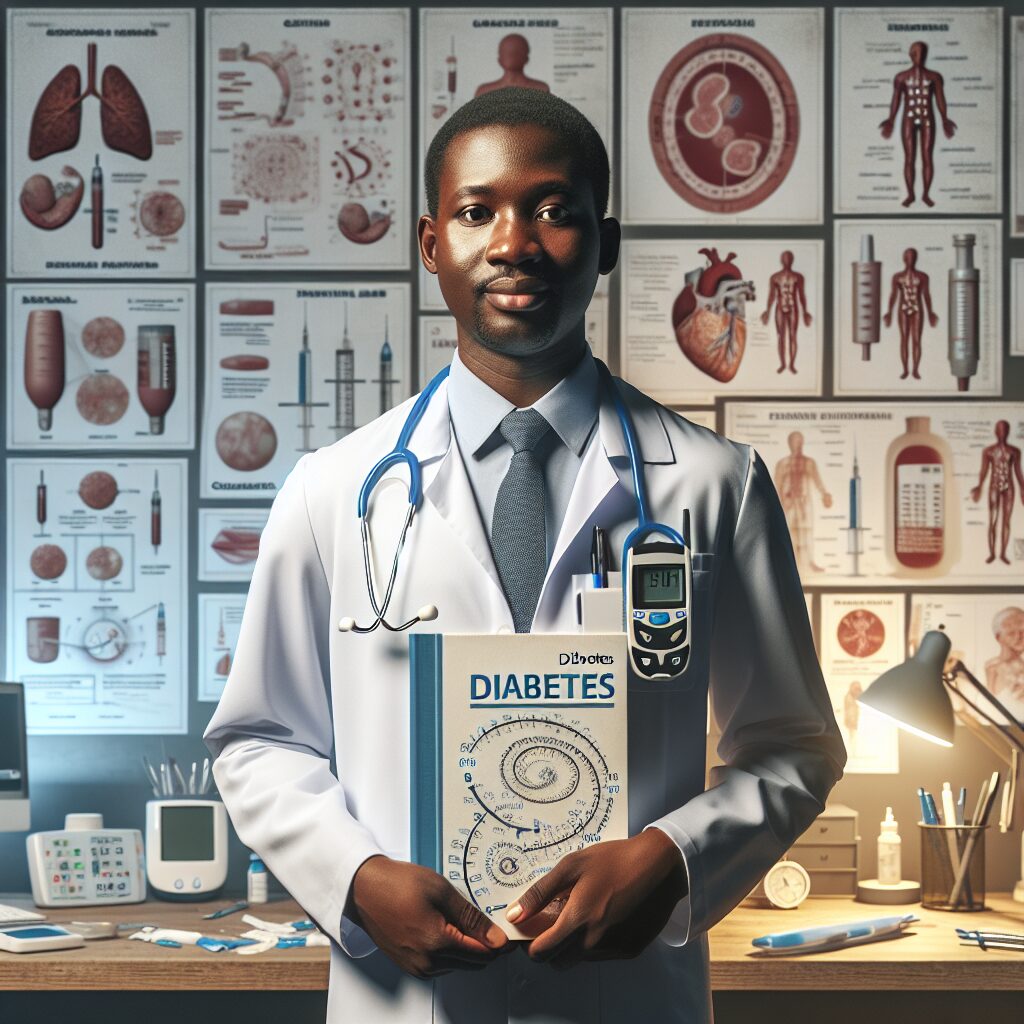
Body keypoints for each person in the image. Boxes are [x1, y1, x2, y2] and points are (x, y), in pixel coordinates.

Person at [205, 88, 845, 1024]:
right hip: (408, 999)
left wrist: (671, 858)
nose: (514, 243)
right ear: (431, 246)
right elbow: (258, 738)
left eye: (555, 210)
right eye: (477, 212)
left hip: (623, 995)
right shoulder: (332, 490)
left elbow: (792, 745)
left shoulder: (716, 484)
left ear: (606, 243)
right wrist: (356, 878)